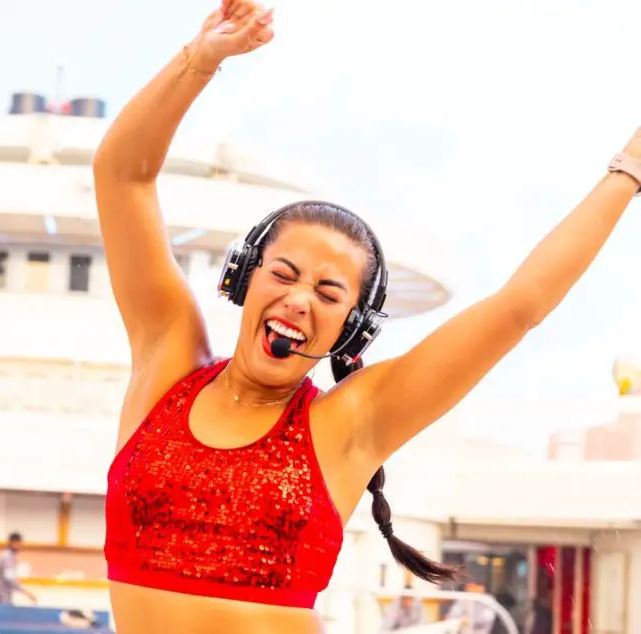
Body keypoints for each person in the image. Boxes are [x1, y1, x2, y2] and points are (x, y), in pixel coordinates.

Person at [93, 1, 641, 633]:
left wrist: (628, 169)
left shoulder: (347, 421)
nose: (299, 299)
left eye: (329, 294)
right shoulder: (164, 363)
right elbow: (122, 176)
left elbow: (518, 308)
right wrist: (201, 60)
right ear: (245, 278)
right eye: (284, 274)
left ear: (350, 326)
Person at [0, 532, 37, 609]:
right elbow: (10, 579)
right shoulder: (7, 557)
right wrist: (26, 593)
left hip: (4, 595)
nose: (21, 546)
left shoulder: (10, 556)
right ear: (13, 543)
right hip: (2, 597)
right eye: (19, 544)